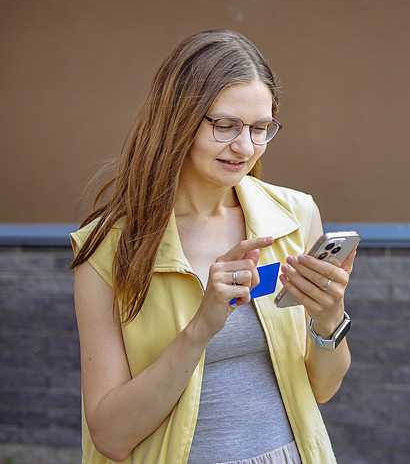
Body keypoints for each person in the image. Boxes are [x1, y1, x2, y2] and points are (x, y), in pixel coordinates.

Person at [69, 30, 355, 464]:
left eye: (261, 128)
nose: (246, 147)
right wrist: (200, 328)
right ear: (178, 119)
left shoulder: (296, 216)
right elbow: (110, 435)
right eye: (225, 126)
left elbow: (324, 388)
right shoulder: (107, 251)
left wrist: (329, 317)